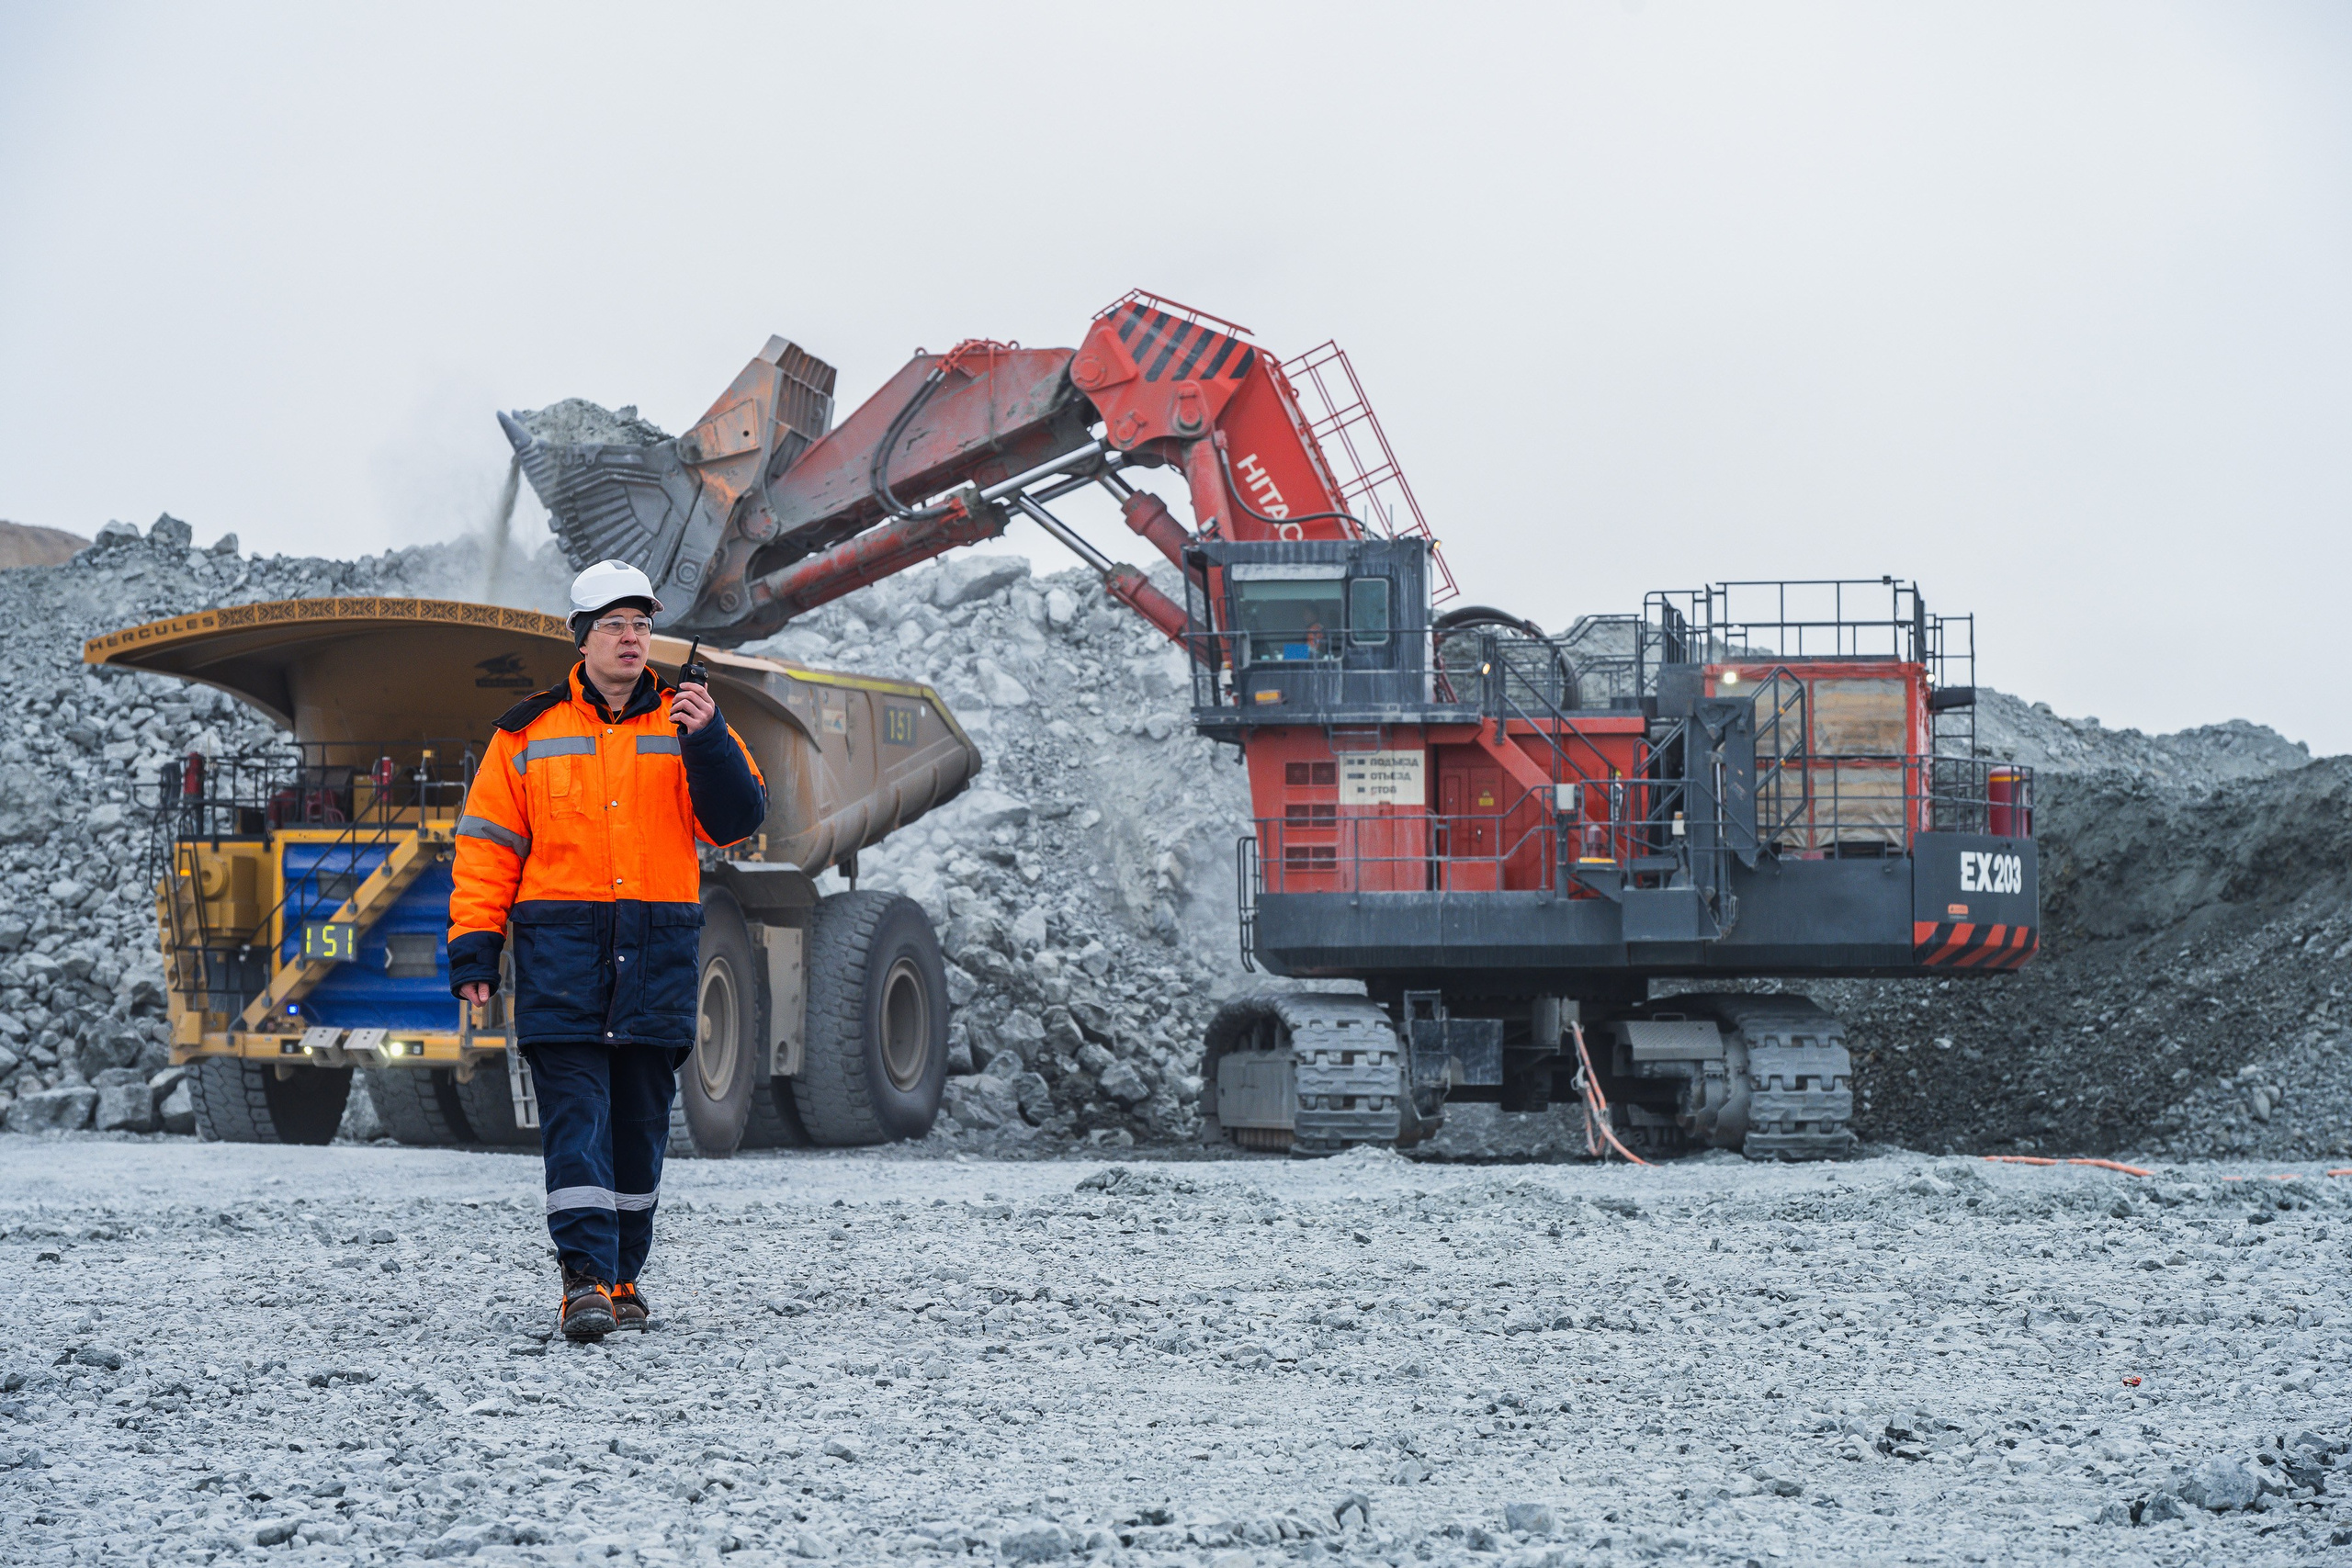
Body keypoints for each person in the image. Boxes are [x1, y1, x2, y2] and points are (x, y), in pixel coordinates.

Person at [447, 559, 767, 1341]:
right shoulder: (525, 733)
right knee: (576, 1118)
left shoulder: (689, 724)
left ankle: (625, 1277)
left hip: (655, 954)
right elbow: (487, 848)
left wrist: (712, 739)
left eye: (643, 625)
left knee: (639, 1122)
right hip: (563, 955)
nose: (633, 638)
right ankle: (582, 1279)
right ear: (582, 637)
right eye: (617, 625)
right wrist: (475, 952)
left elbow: (736, 821)